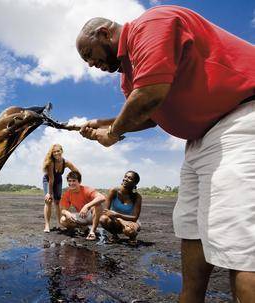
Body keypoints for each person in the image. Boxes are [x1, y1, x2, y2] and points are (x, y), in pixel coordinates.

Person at [75, 5, 255, 302]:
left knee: (242, 248)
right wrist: (105, 122)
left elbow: (148, 97)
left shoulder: (150, 25)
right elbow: (151, 114)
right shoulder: (128, 77)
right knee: (191, 226)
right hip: (199, 141)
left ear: (104, 33)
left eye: (89, 55)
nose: (92, 65)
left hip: (239, 120)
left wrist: (113, 133)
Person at [42, 144, 79, 233]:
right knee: (49, 201)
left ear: (61, 151)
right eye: (54, 152)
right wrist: (49, 193)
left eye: (58, 151)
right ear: (52, 153)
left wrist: (73, 181)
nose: (56, 153)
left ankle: (59, 223)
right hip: (48, 180)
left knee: (57, 202)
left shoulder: (66, 162)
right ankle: (47, 225)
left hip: (58, 180)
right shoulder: (51, 163)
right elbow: (51, 179)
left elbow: (76, 171)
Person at [59, 171, 105, 240]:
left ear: (79, 181)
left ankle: (92, 231)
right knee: (63, 220)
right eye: (69, 181)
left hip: (92, 215)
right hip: (82, 215)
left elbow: (102, 197)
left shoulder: (86, 189)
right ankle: (84, 228)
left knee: (98, 205)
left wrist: (87, 206)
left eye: (74, 181)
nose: (71, 183)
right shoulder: (67, 194)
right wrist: (66, 212)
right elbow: (63, 209)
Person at [100, 171, 142, 245]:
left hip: (131, 221)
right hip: (115, 220)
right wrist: (120, 219)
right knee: (103, 219)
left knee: (130, 230)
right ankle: (115, 236)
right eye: (125, 176)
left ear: (135, 183)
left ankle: (132, 237)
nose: (125, 179)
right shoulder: (113, 191)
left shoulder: (137, 197)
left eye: (129, 178)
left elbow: (135, 217)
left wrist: (118, 215)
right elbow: (106, 211)